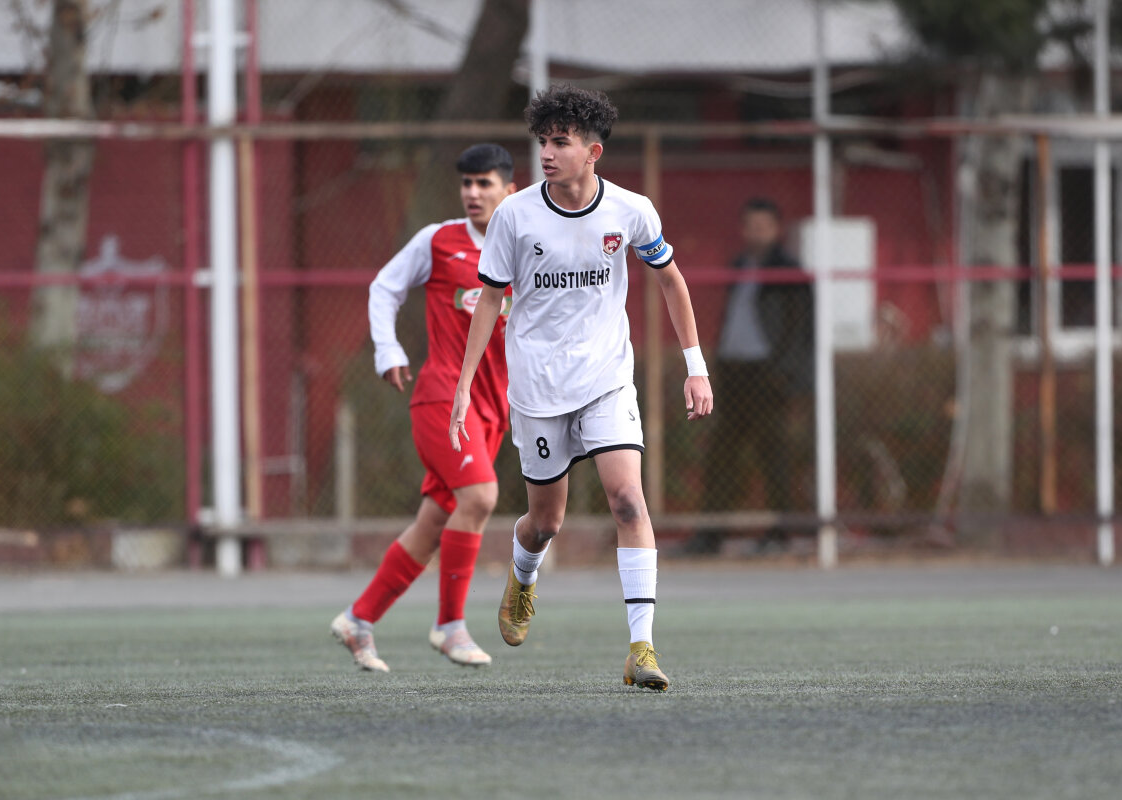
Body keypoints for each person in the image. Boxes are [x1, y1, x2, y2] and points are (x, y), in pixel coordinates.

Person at [448, 85, 713, 692]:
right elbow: (490, 299)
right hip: (537, 386)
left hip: (606, 378)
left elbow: (671, 280)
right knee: (546, 521)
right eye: (542, 141)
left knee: (628, 502)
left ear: (593, 152)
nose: (546, 152)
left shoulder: (631, 211)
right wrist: (465, 384)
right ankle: (523, 575)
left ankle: (642, 648)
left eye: (560, 142)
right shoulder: (514, 215)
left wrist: (695, 366)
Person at [330, 143, 517, 672]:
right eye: (466, 183)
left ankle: (359, 618)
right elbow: (384, 287)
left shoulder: (526, 247)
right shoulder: (439, 240)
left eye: (484, 183)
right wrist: (387, 349)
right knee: (480, 496)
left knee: (436, 522)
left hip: (493, 409)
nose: (473, 193)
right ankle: (450, 626)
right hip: (442, 396)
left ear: (509, 190)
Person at [698, 197, 814, 552]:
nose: (756, 233)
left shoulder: (789, 272)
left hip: (767, 375)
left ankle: (780, 533)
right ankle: (710, 535)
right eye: (751, 226)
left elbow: (801, 330)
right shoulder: (739, 266)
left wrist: (784, 376)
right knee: (722, 455)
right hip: (734, 373)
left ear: (777, 230)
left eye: (764, 226)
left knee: (774, 455)